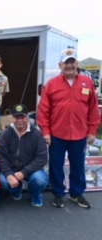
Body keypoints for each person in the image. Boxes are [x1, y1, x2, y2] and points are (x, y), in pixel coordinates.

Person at [37, 48, 100, 209]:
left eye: (72, 62)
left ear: (77, 63)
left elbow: (93, 109)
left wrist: (92, 130)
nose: (69, 66)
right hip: (57, 134)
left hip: (79, 134)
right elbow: (43, 110)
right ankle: (58, 194)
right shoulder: (52, 84)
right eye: (66, 63)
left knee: (78, 166)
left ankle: (76, 194)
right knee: (56, 165)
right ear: (60, 65)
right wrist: (45, 131)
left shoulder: (87, 82)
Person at [0, 104, 48, 207]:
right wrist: (9, 174)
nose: (20, 120)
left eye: (22, 117)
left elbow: (42, 158)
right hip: (12, 169)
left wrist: (24, 172)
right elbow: (2, 157)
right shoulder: (5, 135)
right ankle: (17, 189)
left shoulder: (37, 135)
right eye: (17, 117)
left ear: (28, 117)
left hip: (32, 170)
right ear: (12, 119)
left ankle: (35, 195)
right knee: (3, 180)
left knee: (40, 180)